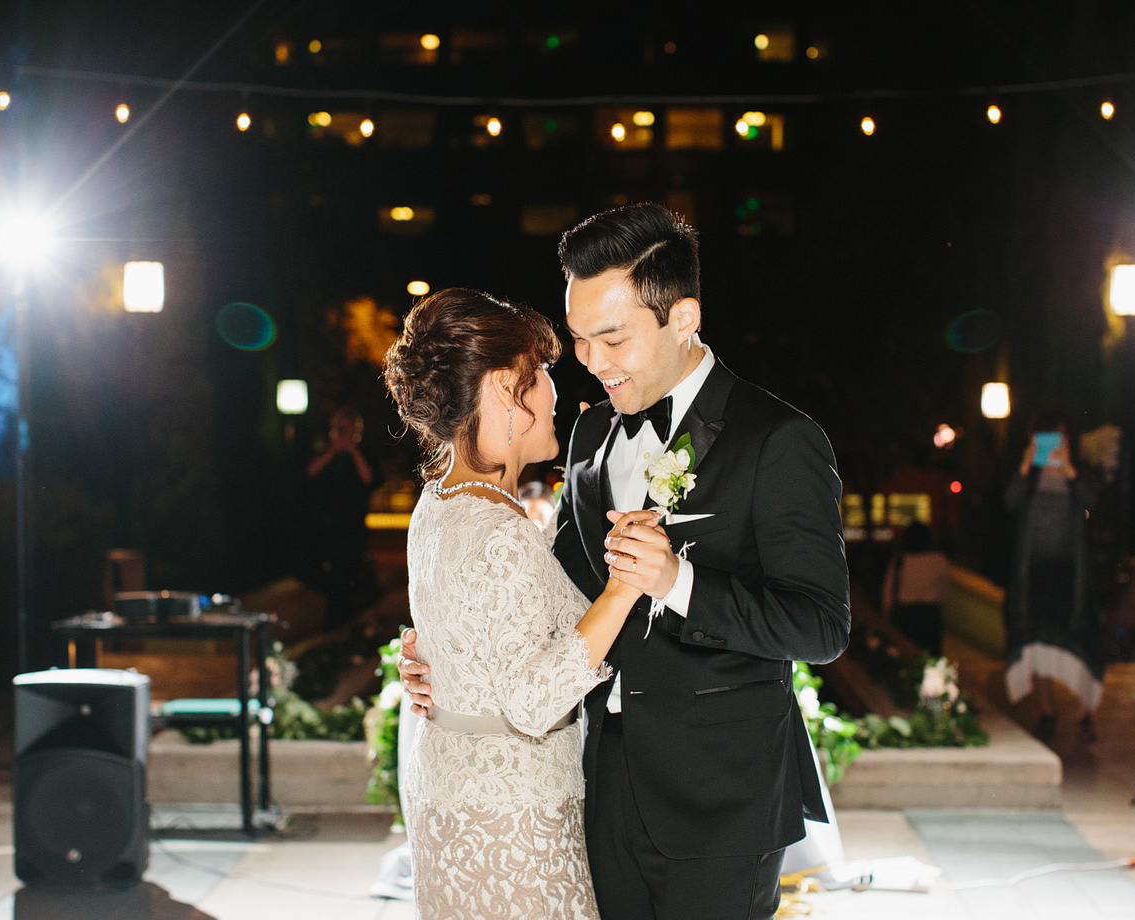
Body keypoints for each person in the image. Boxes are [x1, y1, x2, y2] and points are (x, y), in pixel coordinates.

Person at [401, 204, 850, 920]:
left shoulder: (780, 441)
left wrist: (680, 582)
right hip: (598, 788)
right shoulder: (587, 435)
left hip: (720, 804)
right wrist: (456, 665)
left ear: (683, 318)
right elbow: (562, 598)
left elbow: (820, 627)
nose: (593, 363)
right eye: (580, 342)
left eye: (612, 339)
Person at [382, 288, 646, 919]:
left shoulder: (435, 504)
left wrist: (428, 659)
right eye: (545, 373)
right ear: (505, 389)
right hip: (512, 817)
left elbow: (466, 630)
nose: (557, 389)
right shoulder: (499, 530)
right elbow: (532, 701)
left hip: (449, 792)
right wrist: (624, 586)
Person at [1002, 413, 1102, 742]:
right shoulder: (1029, 479)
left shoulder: (1078, 476)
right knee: (1038, 646)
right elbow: (1009, 501)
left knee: (1080, 642)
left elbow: (1093, 502)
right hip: (1035, 575)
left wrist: (1071, 473)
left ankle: (1085, 710)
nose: (1056, 445)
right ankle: (1048, 712)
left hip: (1070, 576)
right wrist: (1024, 464)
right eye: (1049, 438)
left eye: (1062, 438)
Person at [303, 407, 377, 627]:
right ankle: (332, 622)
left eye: (348, 428)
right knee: (324, 577)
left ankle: (343, 624)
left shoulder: (364, 454)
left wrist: (352, 450)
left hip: (352, 530)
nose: (343, 433)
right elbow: (309, 473)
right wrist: (333, 450)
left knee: (349, 579)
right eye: (340, 428)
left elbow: (369, 479)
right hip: (324, 529)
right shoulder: (324, 453)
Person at [880, 522, 950, 656]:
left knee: (906, 657)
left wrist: (886, 614)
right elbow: (944, 590)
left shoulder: (901, 560)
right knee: (930, 658)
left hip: (905, 615)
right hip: (930, 615)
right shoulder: (940, 560)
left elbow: (888, 591)